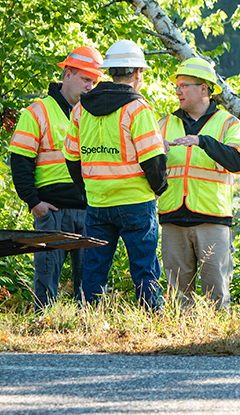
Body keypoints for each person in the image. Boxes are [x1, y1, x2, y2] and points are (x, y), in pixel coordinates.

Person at [63, 39, 167, 311]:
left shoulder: (80, 108)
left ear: (110, 72)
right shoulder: (137, 109)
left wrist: (88, 189)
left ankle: (89, 319)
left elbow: (72, 158)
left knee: (94, 269)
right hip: (136, 202)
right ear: (137, 73)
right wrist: (159, 188)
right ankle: (151, 320)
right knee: (144, 268)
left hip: (98, 203)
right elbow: (153, 159)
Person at [8, 46, 104, 310]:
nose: (90, 87)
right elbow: (20, 161)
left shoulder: (94, 116)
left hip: (89, 209)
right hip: (52, 210)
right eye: (86, 79)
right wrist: (33, 202)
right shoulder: (37, 112)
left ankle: (86, 330)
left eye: (94, 82)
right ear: (68, 74)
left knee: (90, 279)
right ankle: (44, 325)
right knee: (47, 277)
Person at [157, 58, 240, 310]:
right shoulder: (164, 124)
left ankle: (217, 342)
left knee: (216, 292)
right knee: (177, 297)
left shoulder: (229, 124)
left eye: (184, 85)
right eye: (177, 86)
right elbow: (148, 171)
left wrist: (203, 141)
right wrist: (156, 155)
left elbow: (238, 161)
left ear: (203, 89)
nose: (177, 91)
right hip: (172, 216)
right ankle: (179, 343)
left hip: (212, 218)